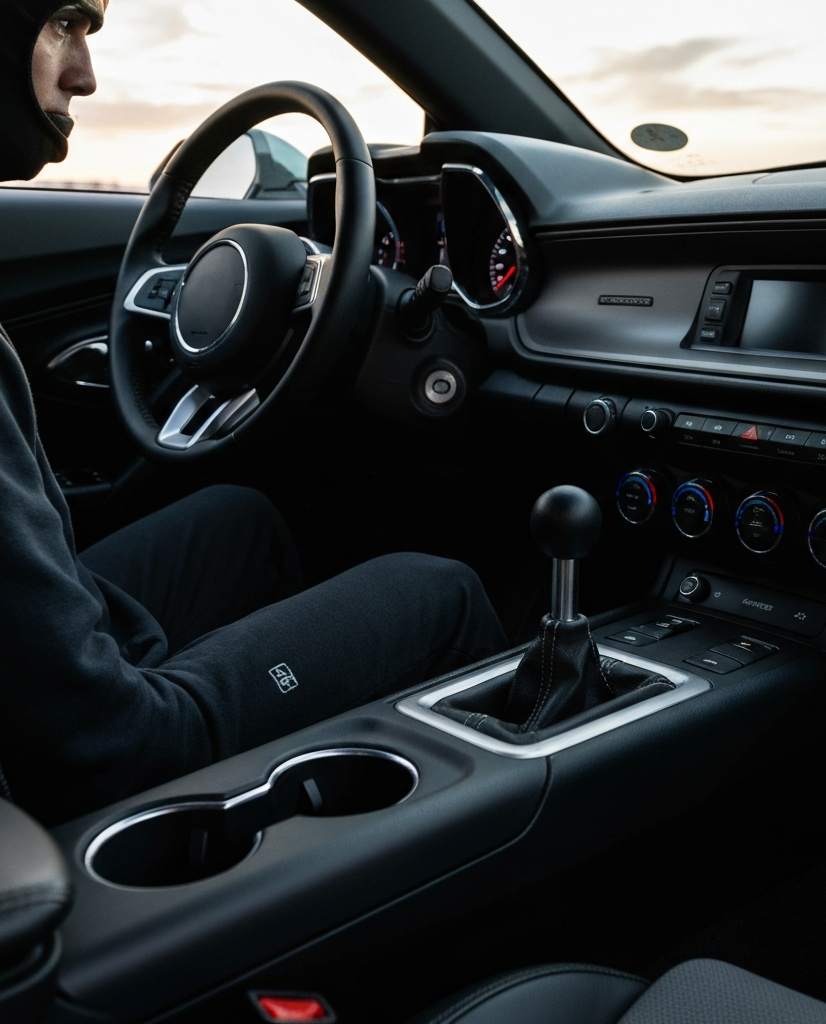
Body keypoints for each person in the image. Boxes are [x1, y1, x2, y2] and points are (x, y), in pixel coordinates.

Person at [0, 0, 508, 825]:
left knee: (241, 521)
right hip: (78, 759)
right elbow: (87, 744)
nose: (84, 74)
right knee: (438, 590)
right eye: (62, 22)